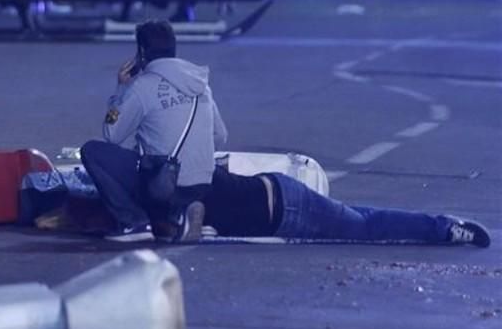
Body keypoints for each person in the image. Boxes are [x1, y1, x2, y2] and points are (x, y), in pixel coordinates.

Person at [80, 20, 227, 243]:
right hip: (202, 186)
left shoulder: (142, 86)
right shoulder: (201, 86)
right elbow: (220, 137)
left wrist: (120, 90)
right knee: (156, 165)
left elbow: (112, 134)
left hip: (164, 186)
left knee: (93, 152)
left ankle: (133, 221)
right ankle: (179, 216)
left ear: (141, 52)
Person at [202, 166, 490, 247]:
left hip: (287, 210)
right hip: (280, 198)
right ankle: (440, 226)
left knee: (366, 227)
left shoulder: (174, 187)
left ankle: (444, 228)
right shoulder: (183, 164)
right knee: (361, 219)